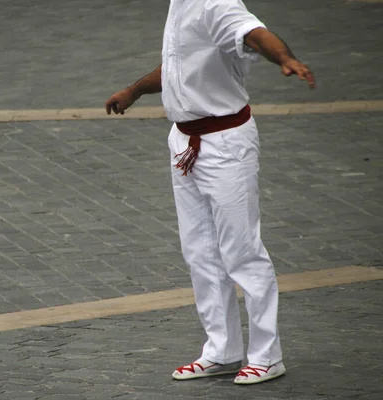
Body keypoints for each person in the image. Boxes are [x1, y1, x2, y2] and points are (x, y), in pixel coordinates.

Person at [105, 0, 315, 385]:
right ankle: (222, 350)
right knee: (200, 250)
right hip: (185, 142)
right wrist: (135, 90)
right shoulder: (180, 4)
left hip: (225, 144)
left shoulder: (214, 2)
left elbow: (253, 33)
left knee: (242, 252)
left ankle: (268, 356)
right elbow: (181, 67)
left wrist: (286, 59)